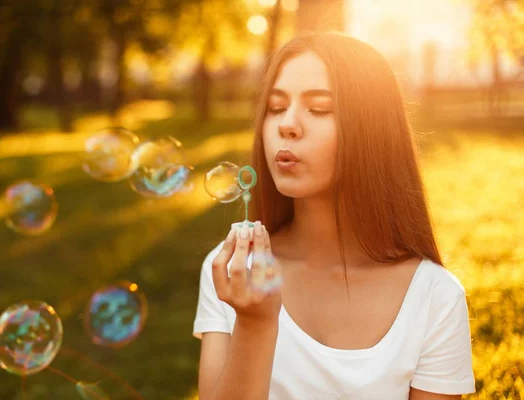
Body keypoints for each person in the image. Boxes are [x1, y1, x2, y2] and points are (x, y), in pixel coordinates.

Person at [192, 31, 476, 400]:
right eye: (276, 107)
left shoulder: (434, 296)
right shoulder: (231, 272)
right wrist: (255, 324)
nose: (286, 125)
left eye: (320, 109)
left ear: (372, 131)